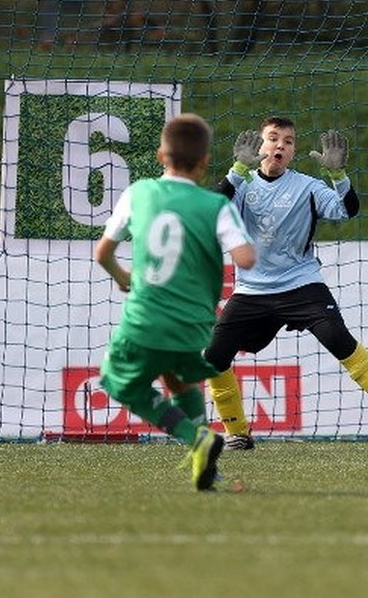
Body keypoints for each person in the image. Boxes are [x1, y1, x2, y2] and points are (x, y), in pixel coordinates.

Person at [203, 117, 368, 449]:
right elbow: (214, 211)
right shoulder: (242, 186)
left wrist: (338, 175)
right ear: (260, 145)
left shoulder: (307, 187)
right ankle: (237, 433)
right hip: (253, 290)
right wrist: (236, 169)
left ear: (293, 152)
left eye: (288, 142)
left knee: (339, 340)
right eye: (273, 138)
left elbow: (348, 210)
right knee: (214, 357)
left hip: (301, 284)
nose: (279, 146)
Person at [94, 113, 255, 490]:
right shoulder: (216, 206)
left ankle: (194, 436)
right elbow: (246, 258)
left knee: (119, 383)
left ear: (160, 155)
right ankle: (207, 467)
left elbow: (103, 253)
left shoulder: (138, 193)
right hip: (194, 326)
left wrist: (124, 280)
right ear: (204, 161)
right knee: (178, 378)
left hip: (145, 321)